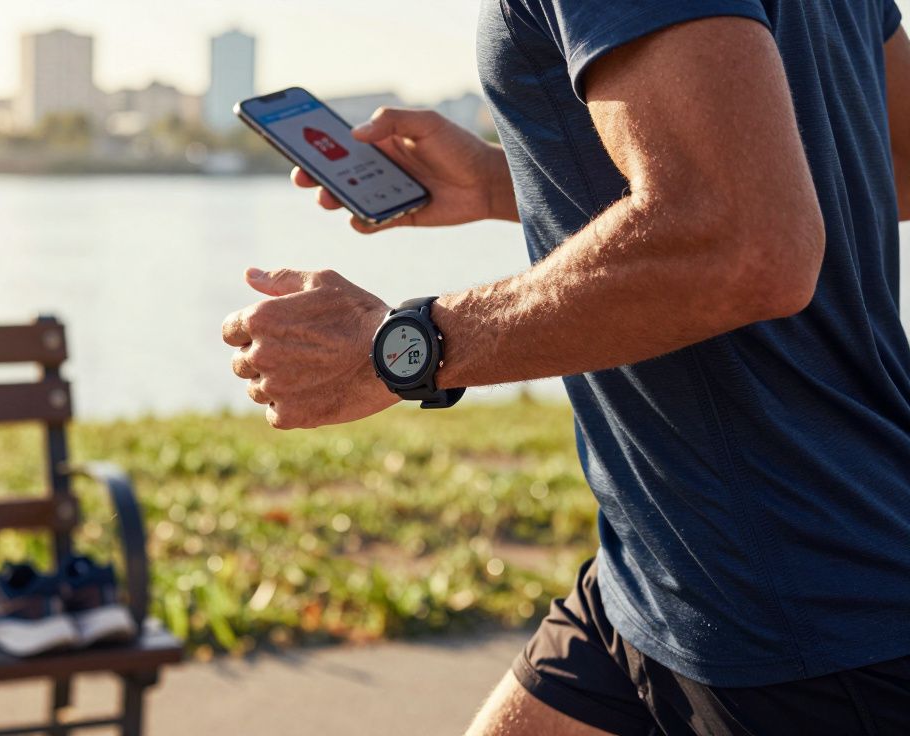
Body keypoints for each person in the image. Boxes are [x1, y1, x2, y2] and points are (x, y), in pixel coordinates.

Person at [222, 1, 910, 733]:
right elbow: (889, 162)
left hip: (795, 603)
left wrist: (395, 350)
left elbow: (743, 248)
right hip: (657, 569)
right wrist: (498, 182)